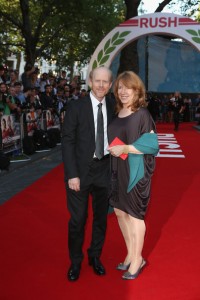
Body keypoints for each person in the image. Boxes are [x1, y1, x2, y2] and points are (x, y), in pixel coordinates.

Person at [62, 66, 115, 282]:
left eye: (105, 82)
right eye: (97, 81)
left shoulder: (113, 106)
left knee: (101, 218)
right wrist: (72, 174)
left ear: (110, 85)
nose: (101, 85)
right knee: (78, 219)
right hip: (80, 173)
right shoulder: (76, 107)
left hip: (104, 169)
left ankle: (95, 256)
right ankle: (75, 262)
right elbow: (67, 141)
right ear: (90, 82)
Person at [107, 71, 159, 280]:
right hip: (116, 170)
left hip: (135, 173)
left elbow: (152, 145)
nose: (123, 91)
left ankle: (138, 259)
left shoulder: (142, 114)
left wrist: (126, 148)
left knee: (135, 215)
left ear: (137, 90)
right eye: (119, 87)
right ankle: (130, 253)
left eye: (127, 87)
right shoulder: (117, 113)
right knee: (120, 213)